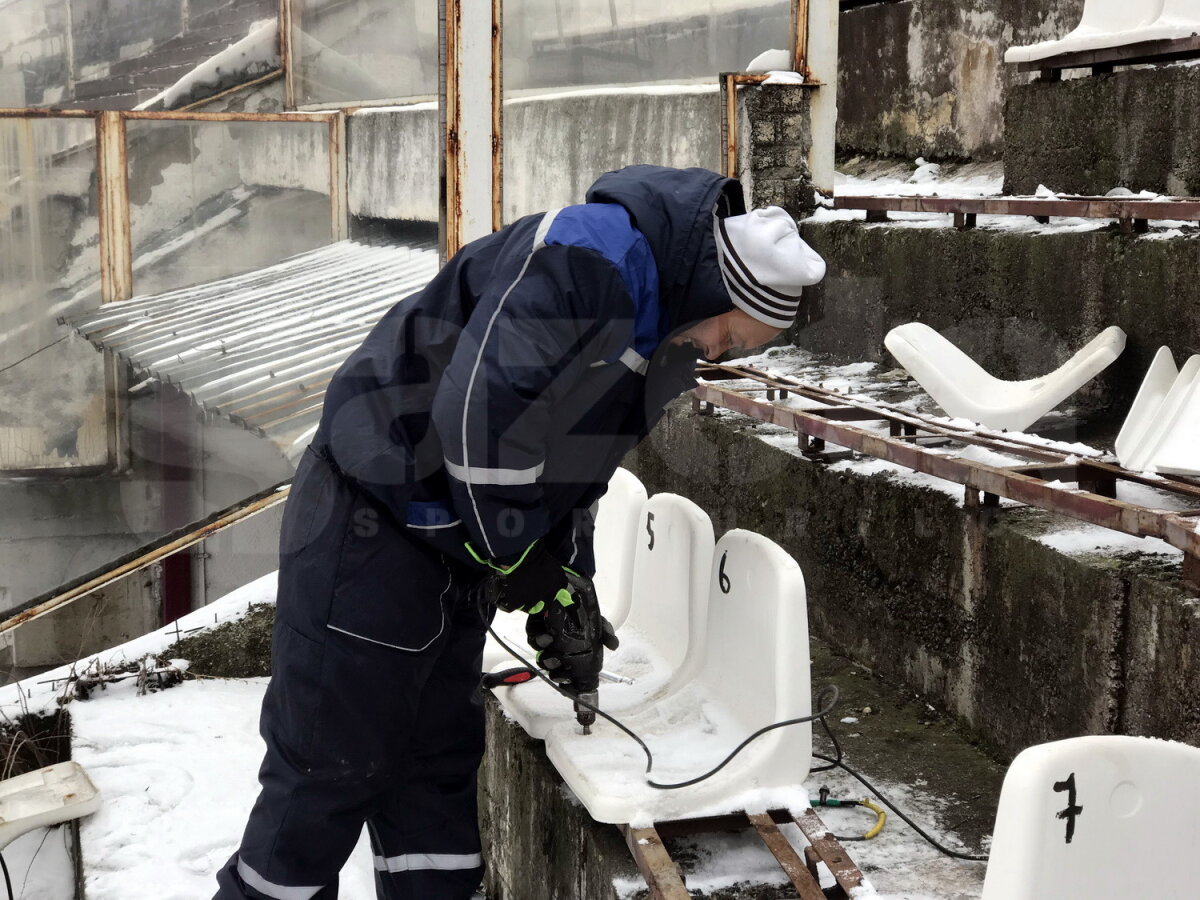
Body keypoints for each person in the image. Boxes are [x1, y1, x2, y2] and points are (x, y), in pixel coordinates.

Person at [214, 165, 826, 900]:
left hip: (453, 541)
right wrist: (523, 560)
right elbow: (480, 423)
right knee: (328, 773)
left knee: (434, 768)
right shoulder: (588, 261)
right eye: (732, 335)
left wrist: (567, 578)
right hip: (374, 523)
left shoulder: (660, 328)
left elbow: (577, 466)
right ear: (715, 294)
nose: (721, 353)